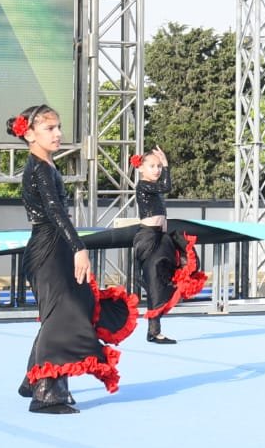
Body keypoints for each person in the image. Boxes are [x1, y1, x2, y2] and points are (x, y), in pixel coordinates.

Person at [11, 104, 136, 413]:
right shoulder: (39, 168)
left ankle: (37, 379)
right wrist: (79, 247)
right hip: (49, 248)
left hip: (54, 246)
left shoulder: (46, 166)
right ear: (29, 135)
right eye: (49, 129)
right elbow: (54, 213)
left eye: (58, 127)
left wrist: (74, 247)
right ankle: (46, 393)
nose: (58, 134)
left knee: (66, 312)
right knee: (64, 316)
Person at [132, 146, 205, 345]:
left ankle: (154, 331)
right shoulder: (143, 185)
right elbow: (166, 186)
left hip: (161, 237)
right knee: (156, 282)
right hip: (148, 239)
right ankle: (154, 332)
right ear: (141, 169)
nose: (156, 170)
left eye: (158, 166)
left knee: (172, 274)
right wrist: (166, 165)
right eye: (152, 166)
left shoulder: (153, 189)